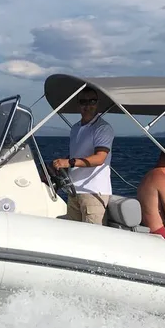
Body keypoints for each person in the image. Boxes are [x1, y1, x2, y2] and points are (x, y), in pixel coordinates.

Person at [51, 87, 114, 225]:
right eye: (83, 102)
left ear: (97, 103)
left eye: (92, 101)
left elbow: (100, 158)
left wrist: (69, 162)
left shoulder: (103, 128)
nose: (88, 105)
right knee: (75, 235)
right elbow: (76, 154)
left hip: (93, 192)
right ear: (78, 104)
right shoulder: (75, 128)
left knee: (93, 236)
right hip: (74, 191)